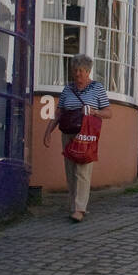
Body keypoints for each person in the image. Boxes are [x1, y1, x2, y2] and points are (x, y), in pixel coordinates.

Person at [43, 53, 113, 222]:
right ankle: (74, 205)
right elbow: (59, 112)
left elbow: (108, 112)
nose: (77, 74)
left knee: (82, 170)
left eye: (81, 71)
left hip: (86, 133)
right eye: (75, 71)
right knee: (70, 170)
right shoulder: (68, 89)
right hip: (68, 133)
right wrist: (48, 131)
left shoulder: (97, 88)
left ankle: (80, 208)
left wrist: (94, 111)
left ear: (88, 72)